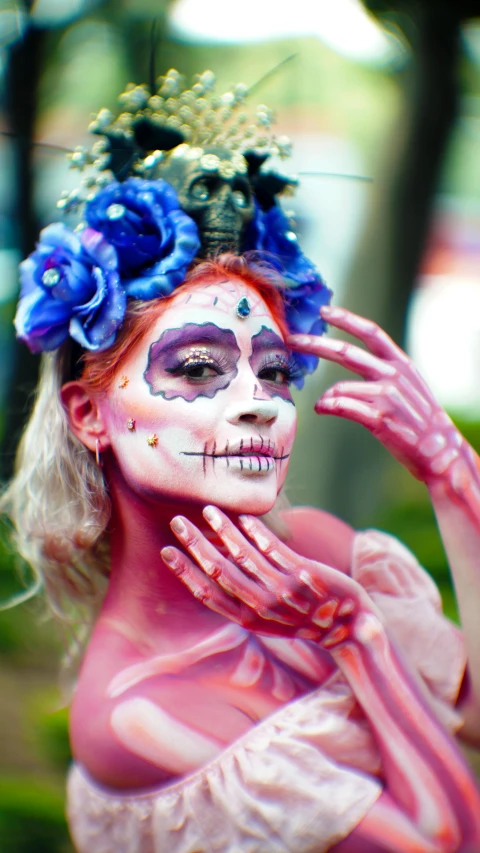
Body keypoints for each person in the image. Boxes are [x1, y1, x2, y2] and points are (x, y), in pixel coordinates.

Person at [4, 69, 480, 853]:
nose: (260, 401)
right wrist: (353, 635)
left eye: (276, 370)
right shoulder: (137, 713)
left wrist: (453, 478)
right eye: (197, 368)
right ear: (91, 414)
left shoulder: (322, 549)